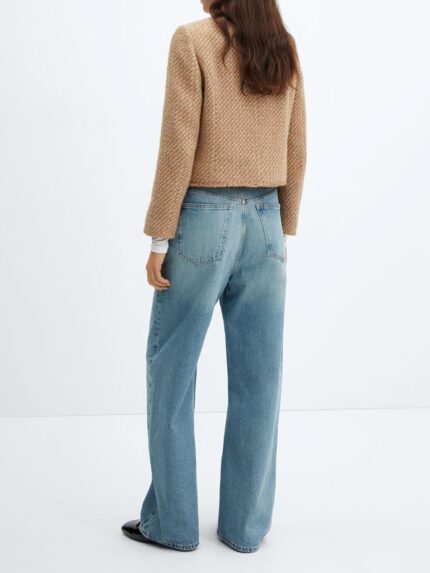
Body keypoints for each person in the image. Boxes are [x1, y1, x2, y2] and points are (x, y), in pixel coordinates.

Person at [122, 0, 307, 553]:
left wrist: (160, 236)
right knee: (260, 380)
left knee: (172, 374)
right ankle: (244, 529)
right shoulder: (282, 45)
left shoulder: (193, 40)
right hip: (266, 221)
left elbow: (178, 143)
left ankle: (172, 525)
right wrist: (282, 228)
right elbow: (297, 145)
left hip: (202, 219)